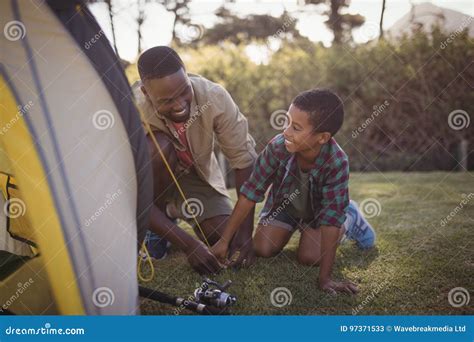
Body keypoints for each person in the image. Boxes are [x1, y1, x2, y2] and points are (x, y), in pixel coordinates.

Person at [211, 88, 376, 294]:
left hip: (318, 213)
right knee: (262, 248)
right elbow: (249, 193)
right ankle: (297, 225)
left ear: (322, 138)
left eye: (296, 128)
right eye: (287, 122)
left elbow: (330, 221)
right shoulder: (278, 147)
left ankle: (350, 216)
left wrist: (325, 279)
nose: (286, 131)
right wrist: (224, 241)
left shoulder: (337, 162)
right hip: (285, 207)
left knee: (309, 257)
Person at [135, 46, 257, 274]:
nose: (180, 104)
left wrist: (244, 235)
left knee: (224, 236)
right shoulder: (130, 110)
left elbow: (244, 162)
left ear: (187, 74)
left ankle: (172, 213)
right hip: (150, 186)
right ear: (145, 92)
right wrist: (189, 245)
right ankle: (156, 228)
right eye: (167, 100)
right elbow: (131, 192)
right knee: (158, 147)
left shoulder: (214, 96)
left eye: (184, 91)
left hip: (196, 177)